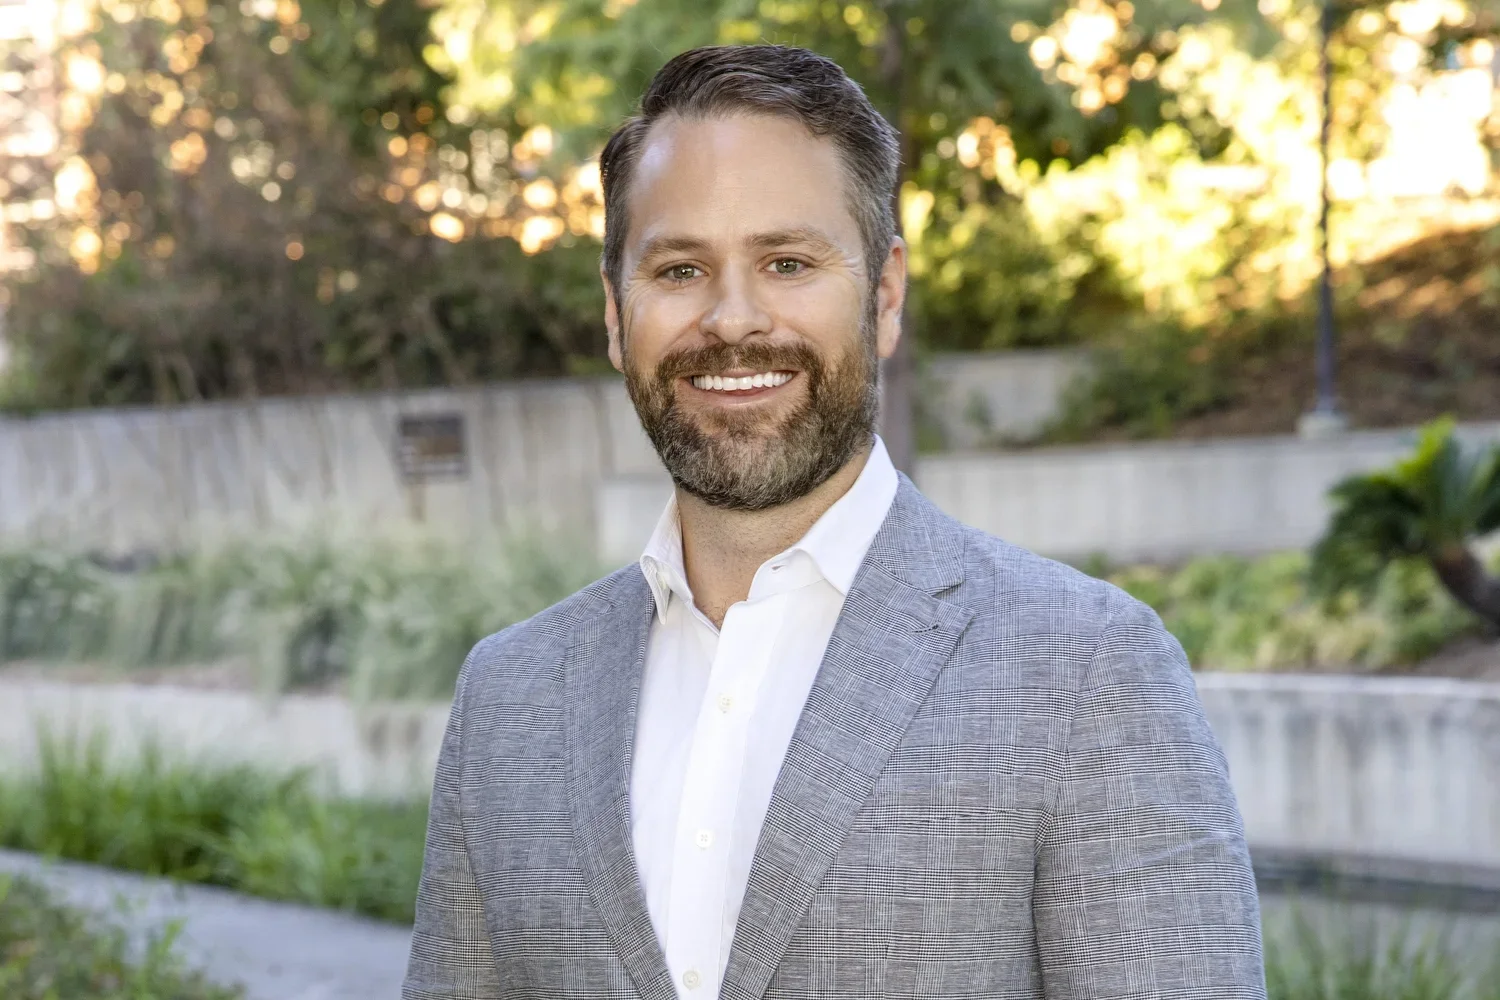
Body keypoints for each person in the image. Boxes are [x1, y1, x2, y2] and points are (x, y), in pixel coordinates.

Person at [402, 43, 1266, 1000]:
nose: (733, 320)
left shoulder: (1087, 671)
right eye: (680, 269)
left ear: (885, 294)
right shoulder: (509, 697)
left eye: (787, 261)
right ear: (615, 313)